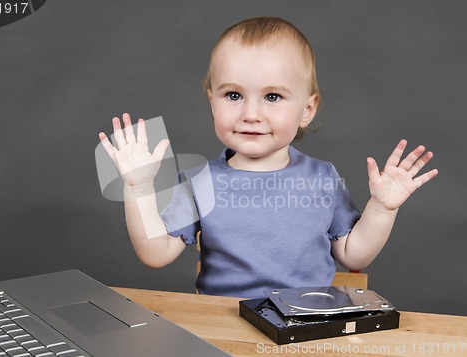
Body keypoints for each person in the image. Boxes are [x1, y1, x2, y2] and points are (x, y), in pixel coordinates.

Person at [98, 17, 438, 298]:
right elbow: (155, 254)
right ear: (212, 102)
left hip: (307, 325)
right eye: (233, 95)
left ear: (307, 109)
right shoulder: (200, 181)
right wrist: (138, 187)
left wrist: (382, 208)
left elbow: (353, 254)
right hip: (222, 327)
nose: (250, 113)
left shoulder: (322, 177)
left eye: (272, 96)